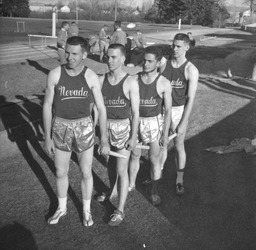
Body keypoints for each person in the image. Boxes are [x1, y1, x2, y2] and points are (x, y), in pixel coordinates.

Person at [43, 36, 110, 227]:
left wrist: (103, 138)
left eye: (74, 54)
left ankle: (86, 211)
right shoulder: (55, 74)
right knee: (60, 170)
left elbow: (101, 108)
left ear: (84, 55)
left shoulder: (91, 77)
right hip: (61, 127)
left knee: (85, 171)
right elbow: (47, 106)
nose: (69, 57)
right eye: (67, 52)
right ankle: (62, 207)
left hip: (83, 128)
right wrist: (47, 137)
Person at [98, 43, 140, 226]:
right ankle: (112, 190)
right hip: (106, 128)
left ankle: (120, 210)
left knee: (122, 170)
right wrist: (100, 135)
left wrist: (133, 137)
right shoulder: (101, 80)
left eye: (114, 57)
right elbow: (98, 110)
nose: (110, 60)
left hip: (123, 129)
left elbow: (136, 113)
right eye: (108, 57)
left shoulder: (130, 82)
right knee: (110, 165)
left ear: (123, 59)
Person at [128, 46, 172, 206]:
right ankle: (131, 184)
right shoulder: (133, 79)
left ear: (158, 62)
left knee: (154, 159)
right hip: (136, 122)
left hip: (154, 123)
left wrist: (165, 134)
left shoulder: (164, 83)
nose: (145, 64)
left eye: (149, 61)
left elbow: (167, 112)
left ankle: (154, 191)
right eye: (144, 60)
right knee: (134, 155)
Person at [159, 33, 199, 195]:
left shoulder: (191, 69)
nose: (174, 49)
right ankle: (157, 173)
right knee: (159, 143)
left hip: (178, 111)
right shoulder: (164, 64)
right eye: (173, 45)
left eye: (178, 46)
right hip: (161, 110)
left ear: (187, 48)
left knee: (178, 145)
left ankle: (179, 180)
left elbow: (190, 98)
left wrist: (183, 122)